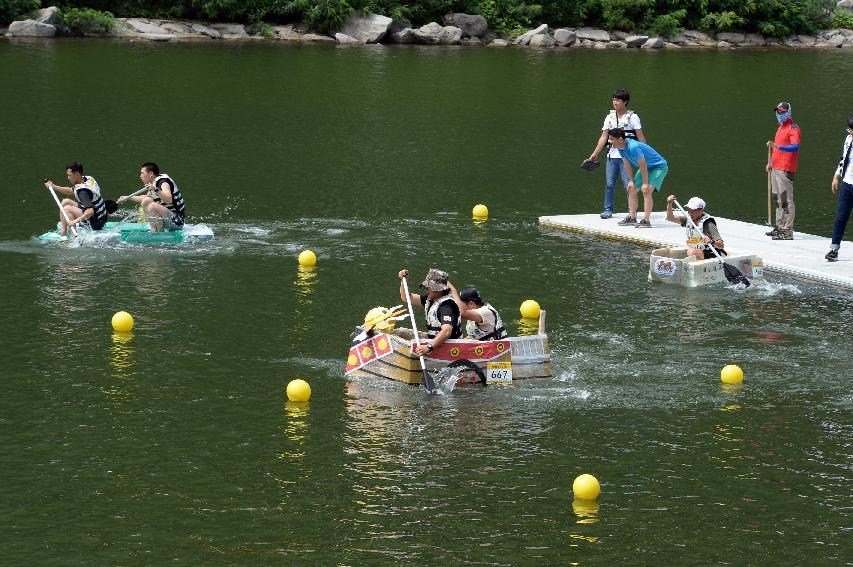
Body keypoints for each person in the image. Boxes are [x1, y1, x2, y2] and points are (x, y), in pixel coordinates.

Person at [585, 89, 647, 219]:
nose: (615, 102)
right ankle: (608, 209)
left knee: (628, 184)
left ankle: (632, 212)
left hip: (627, 156)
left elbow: (640, 137)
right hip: (612, 156)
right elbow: (603, 137)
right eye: (614, 99)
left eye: (618, 100)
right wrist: (595, 153)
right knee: (609, 183)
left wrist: (645, 154)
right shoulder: (610, 117)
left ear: (625, 102)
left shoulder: (632, 117)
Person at [609, 128, 668, 228]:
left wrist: (645, 183)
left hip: (658, 167)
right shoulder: (620, 147)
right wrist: (631, 181)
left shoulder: (633, 147)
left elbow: (643, 164)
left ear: (619, 139)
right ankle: (632, 218)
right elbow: (626, 163)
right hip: (646, 168)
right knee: (631, 189)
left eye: (611, 139)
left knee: (647, 190)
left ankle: (646, 220)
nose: (609, 141)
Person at [398, 268, 462, 356]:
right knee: (399, 332)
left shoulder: (446, 306)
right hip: (432, 340)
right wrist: (404, 281)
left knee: (409, 344)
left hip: (447, 346)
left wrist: (428, 347)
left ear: (439, 290)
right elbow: (406, 297)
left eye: (430, 287)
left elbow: (447, 331)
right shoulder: (431, 299)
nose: (426, 289)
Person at [766, 101, 801, 240]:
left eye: (782, 112)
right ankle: (779, 226)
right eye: (778, 112)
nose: (779, 114)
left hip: (786, 169)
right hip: (775, 167)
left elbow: (795, 147)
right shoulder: (780, 128)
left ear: (788, 112)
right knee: (777, 198)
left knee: (786, 199)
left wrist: (778, 147)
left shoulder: (793, 128)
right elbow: (775, 149)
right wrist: (769, 163)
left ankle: (787, 230)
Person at [43, 161, 108, 236]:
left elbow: (90, 211)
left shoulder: (83, 192)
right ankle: (63, 231)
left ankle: (72, 236)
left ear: (77, 174)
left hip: (96, 222)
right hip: (101, 217)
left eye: (69, 175)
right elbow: (70, 191)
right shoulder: (87, 179)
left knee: (66, 209)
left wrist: (75, 221)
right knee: (65, 201)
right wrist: (54, 186)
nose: (68, 178)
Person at [118, 162, 185, 232]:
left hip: (177, 221)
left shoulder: (163, 183)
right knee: (146, 201)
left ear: (150, 174)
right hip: (167, 218)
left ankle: (160, 233)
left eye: (142, 173)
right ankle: (155, 230)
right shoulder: (154, 183)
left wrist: (155, 189)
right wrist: (127, 197)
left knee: (152, 206)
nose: (140, 176)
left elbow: (169, 200)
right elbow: (145, 198)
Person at [825, 115, 853, 262]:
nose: (850, 132)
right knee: (841, 217)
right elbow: (843, 158)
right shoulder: (848, 139)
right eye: (849, 130)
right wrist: (836, 176)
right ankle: (834, 249)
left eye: (851, 130)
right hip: (847, 184)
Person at [665, 195, 727, 260]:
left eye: (693, 210)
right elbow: (670, 218)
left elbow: (721, 245)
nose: (690, 213)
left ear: (701, 210)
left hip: (711, 253)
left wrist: (712, 242)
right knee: (688, 252)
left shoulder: (708, 224)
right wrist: (670, 203)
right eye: (689, 210)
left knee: (691, 252)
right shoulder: (688, 219)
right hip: (696, 251)